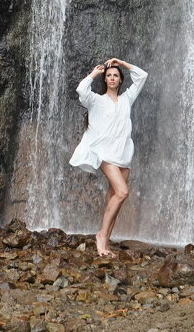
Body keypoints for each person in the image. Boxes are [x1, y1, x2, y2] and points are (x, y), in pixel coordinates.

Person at [69, 57, 148, 257]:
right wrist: (95, 72)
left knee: (115, 198)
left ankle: (105, 245)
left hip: (124, 153)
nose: (112, 78)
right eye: (108, 76)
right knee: (122, 192)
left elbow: (142, 76)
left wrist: (123, 64)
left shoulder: (127, 98)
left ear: (120, 80)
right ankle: (101, 236)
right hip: (105, 153)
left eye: (115, 75)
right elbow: (81, 89)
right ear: (105, 80)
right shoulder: (96, 100)